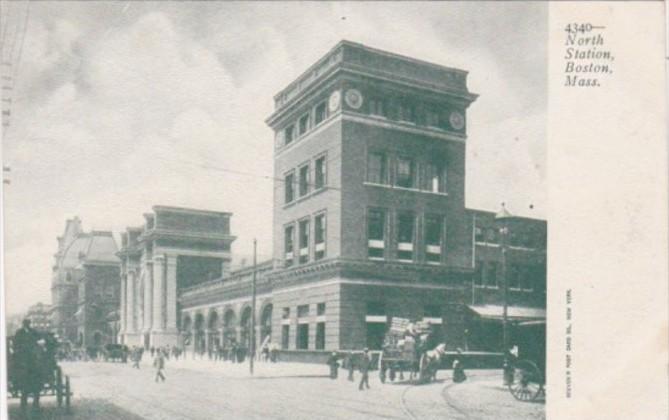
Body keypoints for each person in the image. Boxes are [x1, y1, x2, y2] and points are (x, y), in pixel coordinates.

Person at [13, 319, 43, 410]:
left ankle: (36, 402)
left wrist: (39, 344)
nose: (27, 325)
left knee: (35, 380)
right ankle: (23, 403)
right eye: (26, 324)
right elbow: (16, 344)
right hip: (23, 356)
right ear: (23, 324)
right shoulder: (19, 332)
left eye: (28, 323)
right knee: (25, 383)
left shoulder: (33, 332)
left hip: (32, 357)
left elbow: (40, 339)